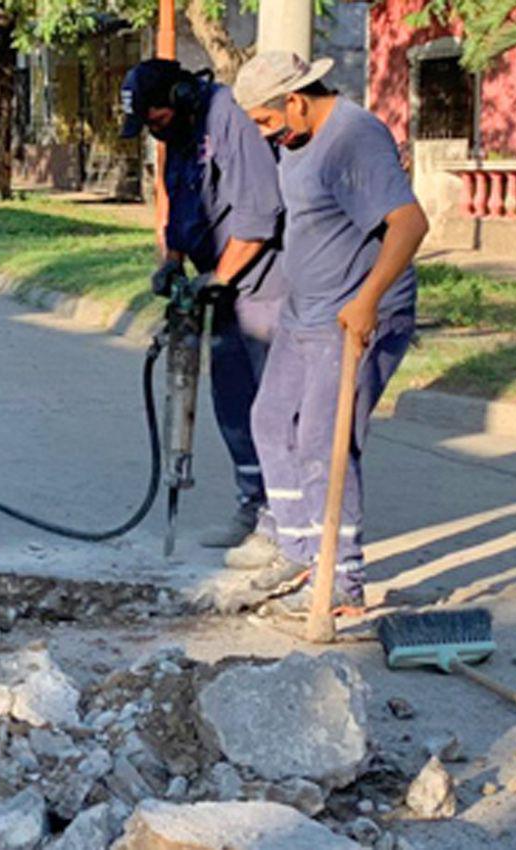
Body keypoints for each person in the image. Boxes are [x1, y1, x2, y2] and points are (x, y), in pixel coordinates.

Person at [231, 51, 430, 613]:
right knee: (269, 420)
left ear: (295, 101)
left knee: (325, 443)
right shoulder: (295, 143)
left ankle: (341, 582)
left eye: (266, 122)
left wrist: (367, 301)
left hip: (358, 315)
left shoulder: (353, 138)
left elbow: (410, 223)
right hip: (305, 314)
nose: (265, 136)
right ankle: (298, 551)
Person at [118, 58, 289, 554]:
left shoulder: (228, 118)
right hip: (222, 283)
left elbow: (259, 214)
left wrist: (219, 277)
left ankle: (284, 521)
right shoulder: (177, 134)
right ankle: (252, 505)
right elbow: (179, 199)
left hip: (263, 281)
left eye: (157, 119)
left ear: (181, 97)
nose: (154, 131)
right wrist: (172, 260)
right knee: (232, 398)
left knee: (271, 404)